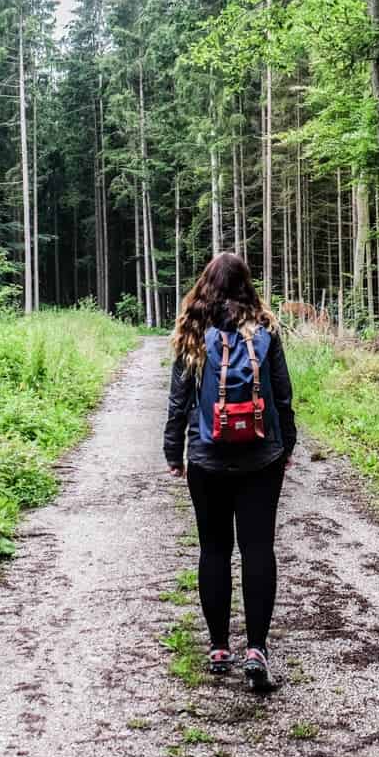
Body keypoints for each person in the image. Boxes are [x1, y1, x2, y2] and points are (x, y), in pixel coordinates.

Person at [164, 252, 297, 693]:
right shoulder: (265, 328)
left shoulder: (194, 330)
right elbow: (282, 394)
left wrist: (172, 450)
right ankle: (256, 649)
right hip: (262, 457)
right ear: (247, 285)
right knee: (258, 549)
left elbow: (179, 399)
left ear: (206, 285)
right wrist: (288, 444)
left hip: (206, 458)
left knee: (214, 550)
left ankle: (220, 647)